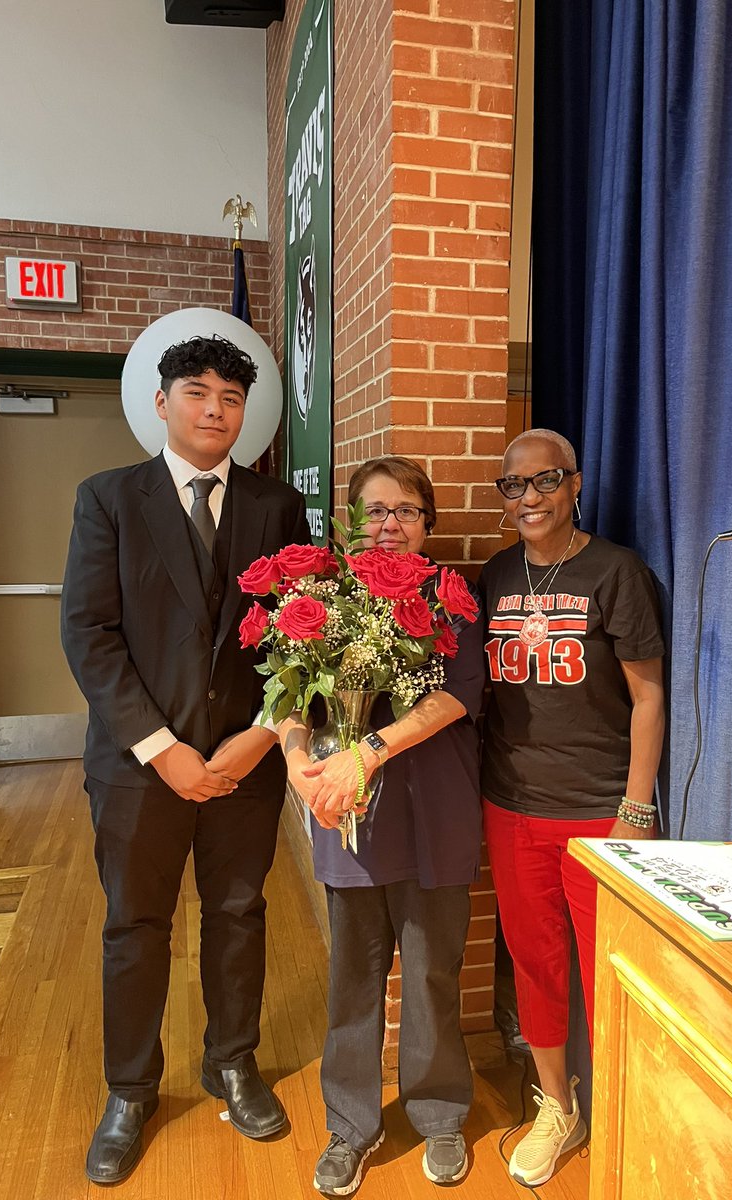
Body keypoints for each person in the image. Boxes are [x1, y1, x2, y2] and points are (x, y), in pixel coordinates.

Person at [61, 334, 311, 1185]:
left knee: (238, 914)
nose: (215, 410)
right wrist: (164, 749)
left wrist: (259, 736)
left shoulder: (276, 507)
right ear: (161, 403)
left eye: (232, 398)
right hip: (140, 767)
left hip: (246, 760)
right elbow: (89, 636)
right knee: (136, 926)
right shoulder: (108, 499)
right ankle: (131, 1089)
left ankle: (231, 1062)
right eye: (198, 392)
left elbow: (299, 635)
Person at [279, 456, 485, 1195]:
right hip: (351, 816)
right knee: (353, 980)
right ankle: (351, 1126)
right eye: (375, 510)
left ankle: (437, 1115)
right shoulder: (319, 599)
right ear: (349, 522)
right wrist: (301, 761)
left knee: (431, 975)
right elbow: (286, 696)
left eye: (407, 510)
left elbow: (459, 695)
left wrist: (368, 752)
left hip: (436, 812)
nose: (391, 523)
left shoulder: (454, 597)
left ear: (428, 525)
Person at [480, 429, 665, 1188]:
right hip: (513, 804)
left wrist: (636, 808)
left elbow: (648, 695)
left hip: (599, 811)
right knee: (537, 964)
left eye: (544, 481)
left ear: (576, 483)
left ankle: (631, 1104)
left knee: (612, 971)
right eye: (514, 486)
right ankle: (559, 1105)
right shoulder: (494, 575)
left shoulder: (615, 570)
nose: (529, 497)